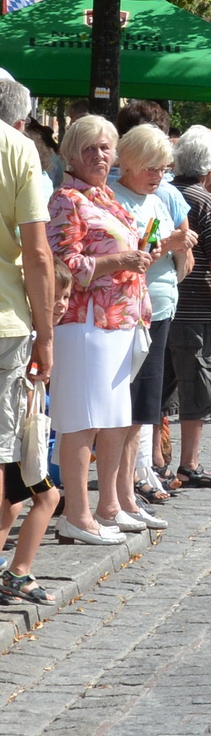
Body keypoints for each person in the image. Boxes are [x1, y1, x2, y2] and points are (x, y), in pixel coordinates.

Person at [46, 116, 154, 544]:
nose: (99, 155)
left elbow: (126, 249)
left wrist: (145, 255)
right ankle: (77, 514)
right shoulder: (66, 199)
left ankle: (108, 505)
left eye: (106, 148)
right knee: (80, 420)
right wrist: (120, 262)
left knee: (113, 419)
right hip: (85, 322)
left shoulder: (107, 196)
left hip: (119, 321)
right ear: (71, 153)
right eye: (89, 148)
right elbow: (62, 266)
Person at [109, 125, 197, 528]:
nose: (157, 176)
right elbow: (136, 253)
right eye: (150, 167)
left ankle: (127, 494)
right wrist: (171, 245)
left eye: (162, 168)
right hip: (130, 314)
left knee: (144, 408)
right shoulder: (117, 199)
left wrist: (180, 244)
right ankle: (119, 497)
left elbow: (167, 245)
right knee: (128, 409)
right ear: (128, 162)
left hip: (158, 308)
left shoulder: (156, 199)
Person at [166, 127, 211, 488]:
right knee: (198, 386)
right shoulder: (204, 201)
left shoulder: (162, 192)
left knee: (159, 391)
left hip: (161, 309)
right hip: (195, 311)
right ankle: (188, 464)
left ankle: (153, 464)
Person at [0, 258, 68, 604]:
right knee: (48, 497)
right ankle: (18, 572)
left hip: (21, 439)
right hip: (18, 440)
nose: (61, 304)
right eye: (55, 296)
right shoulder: (30, 337)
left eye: (66, 297)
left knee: (12, 502)